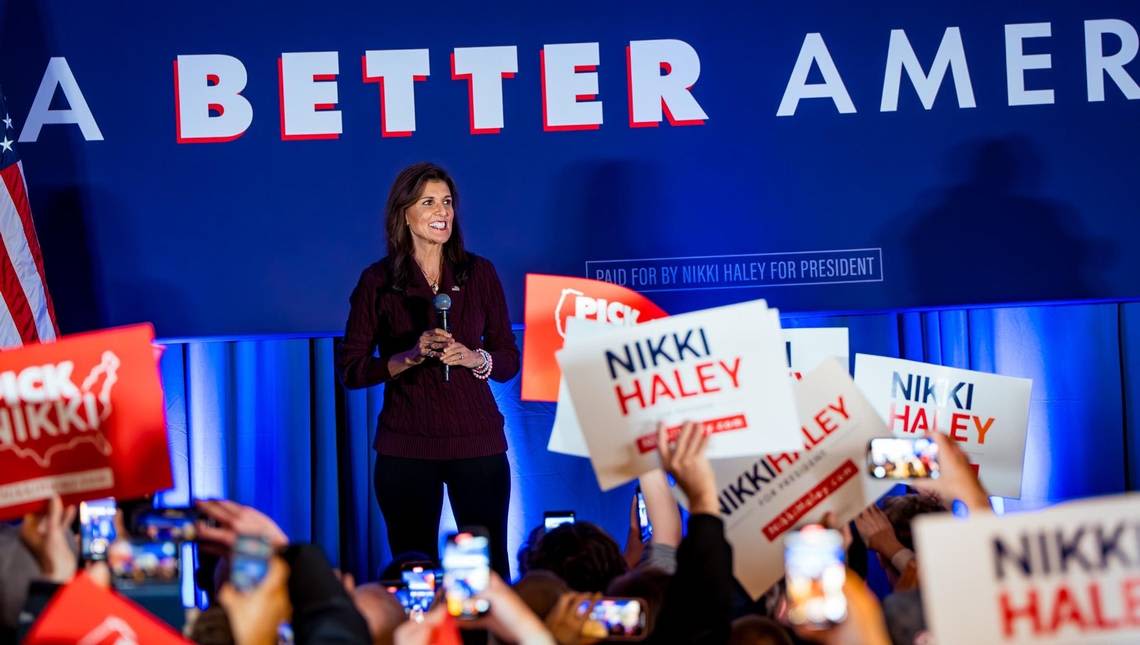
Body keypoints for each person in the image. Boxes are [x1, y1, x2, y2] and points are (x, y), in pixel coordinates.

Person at [337, 162, 520, 578]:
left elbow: (508, 360)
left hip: (477, 445)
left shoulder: (480, 273)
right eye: (429, 202)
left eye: (448, 202)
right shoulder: (378, 282)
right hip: (406, 449)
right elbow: (352, 369)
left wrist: (475, 358)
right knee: (414, 572)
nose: (443, 212)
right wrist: (410, 356)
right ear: (404, 214)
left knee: (488, 572)